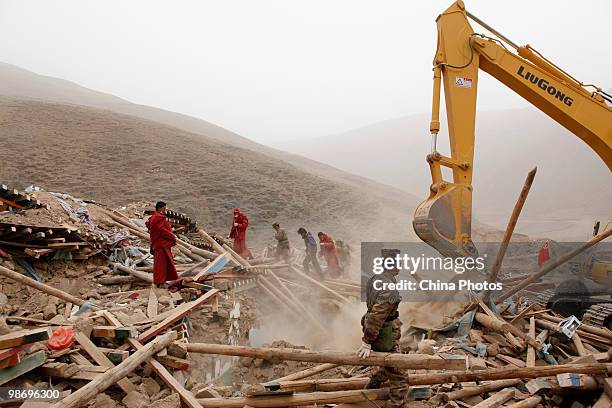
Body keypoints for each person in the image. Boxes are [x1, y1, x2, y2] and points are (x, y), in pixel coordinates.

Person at [358, 248, 406, 408]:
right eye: (399, 262)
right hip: (384, 333)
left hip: (380, 330)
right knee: (399, 376)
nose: (401, 265)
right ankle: (396, 405)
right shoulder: (389, 287)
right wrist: (367, 341)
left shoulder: (376, 279)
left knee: (387, 366)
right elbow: (377, 316)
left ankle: (369, 390)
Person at [145, 201, 179, 286]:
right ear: (160, 208)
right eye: (164, 208)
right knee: (160, 265)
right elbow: (162, 231)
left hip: (160, 244)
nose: (165, 210)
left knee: (163, 264)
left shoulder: (155, 217)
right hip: (160, 245)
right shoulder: (157, 218)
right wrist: (172, 237)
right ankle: (160, 282)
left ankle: (162, 281)